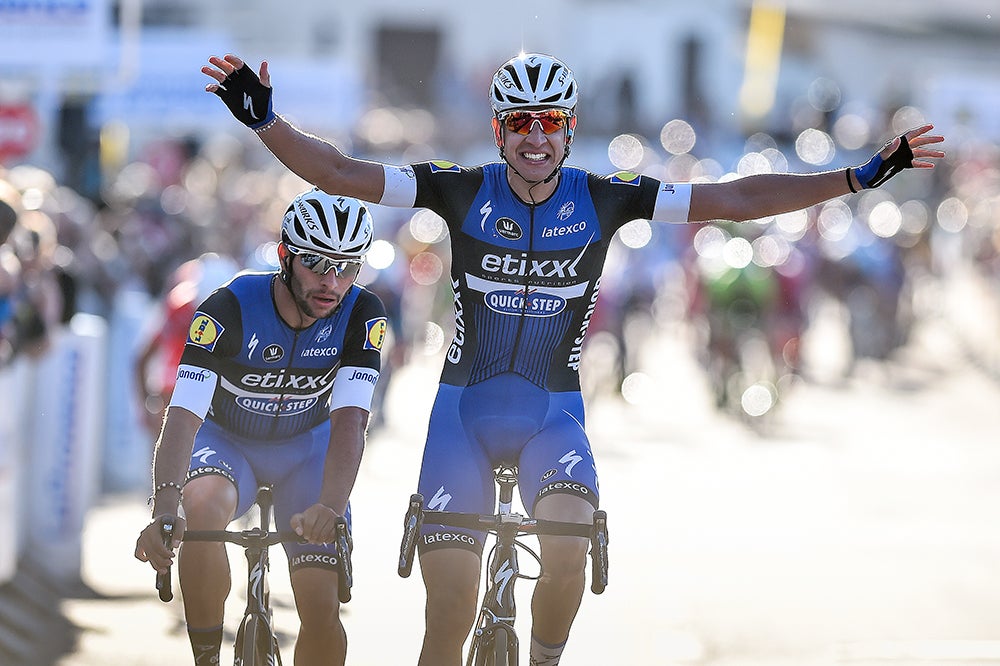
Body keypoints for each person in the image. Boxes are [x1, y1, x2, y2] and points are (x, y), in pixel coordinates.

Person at [200, 51, 945, 666]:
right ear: (498, 131)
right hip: (461, 417)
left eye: (549, 122)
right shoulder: (460, 191)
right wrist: (267, 120)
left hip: (552, 417)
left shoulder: (606, 197)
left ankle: (545, 657)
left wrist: (856, 178)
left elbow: (736, 198)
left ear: (568, 131)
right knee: (450, 613)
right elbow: (340, 174)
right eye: (519, 122)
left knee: (566, 547)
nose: (534, 136)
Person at [134, 189, 388, 666]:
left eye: (348, 266)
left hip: (306, 451)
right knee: (203, 504)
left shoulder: (362, 311)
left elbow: (351, 418)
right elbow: (184, 413)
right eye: (316, 263)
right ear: (285, 257)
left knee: (319, 605)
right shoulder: (227, 307)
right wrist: (166, 508)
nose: (332, 282)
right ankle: (207, 656)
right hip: (228, 442)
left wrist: (331, 506)